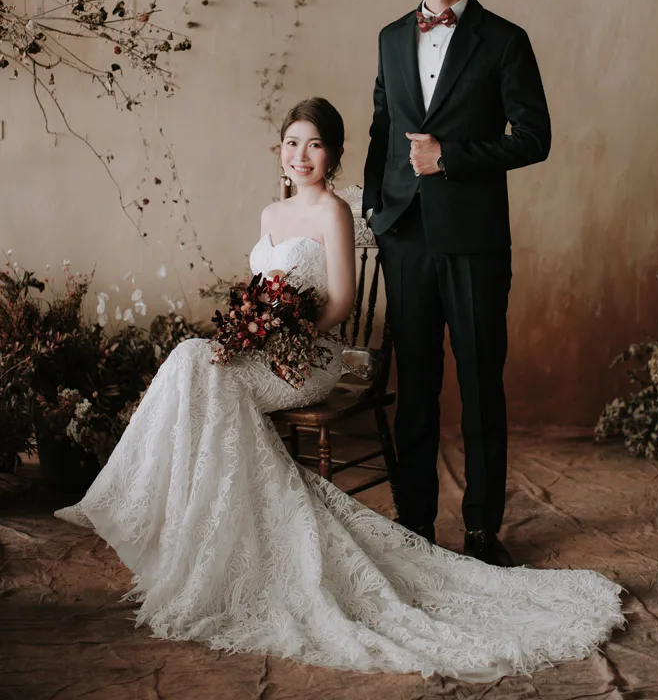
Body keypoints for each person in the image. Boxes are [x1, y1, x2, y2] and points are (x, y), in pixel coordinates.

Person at [56, 98, 622, 680]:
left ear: (332, 155)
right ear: (280, 150)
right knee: (194, 361)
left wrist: (289, 335)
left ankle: (159, 519)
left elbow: (343, 301)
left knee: (197, 367)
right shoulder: (270, 213)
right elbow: (260, 292)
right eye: (292, 143)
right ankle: (201, 541)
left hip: (311, 356)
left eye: (315, 145)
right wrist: (253, 330)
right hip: (268, 351)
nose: (301, 156)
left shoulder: (334, 212)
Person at [363, 0, 552, 567]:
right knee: (415, 388)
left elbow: (534, 137)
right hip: (405, 236)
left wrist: (451, 157)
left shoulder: (505, 40)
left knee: (478, 385)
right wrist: (375, 208)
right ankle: (415, 524)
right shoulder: (390, 38)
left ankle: (480, 529)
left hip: (474, 240)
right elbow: (383, 127)